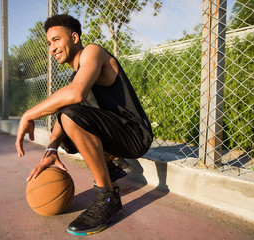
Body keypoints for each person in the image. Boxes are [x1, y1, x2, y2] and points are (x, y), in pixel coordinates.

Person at [15, 14, 153, 236]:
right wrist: (51, 149)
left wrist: (27, 115)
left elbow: (76, 94)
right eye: (49, 43)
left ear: (75, 37)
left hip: (135, 134)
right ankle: (113, 163)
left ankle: (107, 197)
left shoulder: (93, 52)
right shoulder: (76, 76)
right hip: (117, 133)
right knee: (64, 121)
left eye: (57, 40)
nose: (52, 47)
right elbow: (64, 110)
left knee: (70, 112)